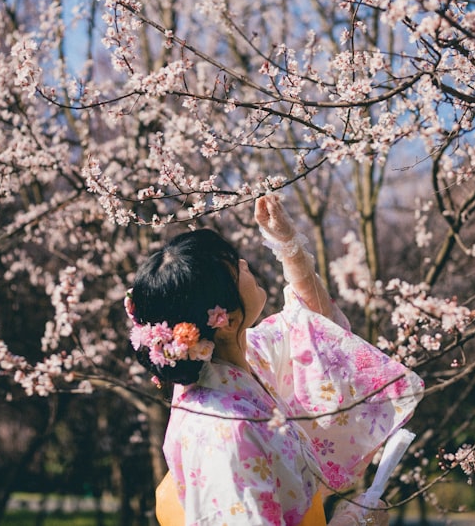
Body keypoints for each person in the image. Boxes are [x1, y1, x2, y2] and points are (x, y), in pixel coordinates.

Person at [125, 195, 424, 526]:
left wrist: (288, 245)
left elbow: (314, 329)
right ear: (224, 320)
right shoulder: (224, 429)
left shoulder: (242, 359)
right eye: (233, 267)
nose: (244, 265)